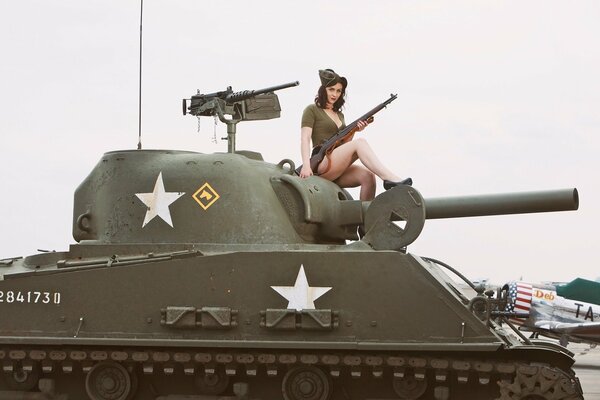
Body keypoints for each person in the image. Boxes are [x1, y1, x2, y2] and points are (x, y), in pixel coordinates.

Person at [299, 69, 412, 201]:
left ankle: (367, 214)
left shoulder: (339, 115)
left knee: (368, 176)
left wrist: (355, 130)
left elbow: (344, 145)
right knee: (360, 143)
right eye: (331, 90)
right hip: (322, 162)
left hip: (335, 163)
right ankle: (389, 178)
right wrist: (306, 165)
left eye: (339, 91)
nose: (335, 94)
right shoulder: (312, 110)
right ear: (323, 90)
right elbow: (305, 138)